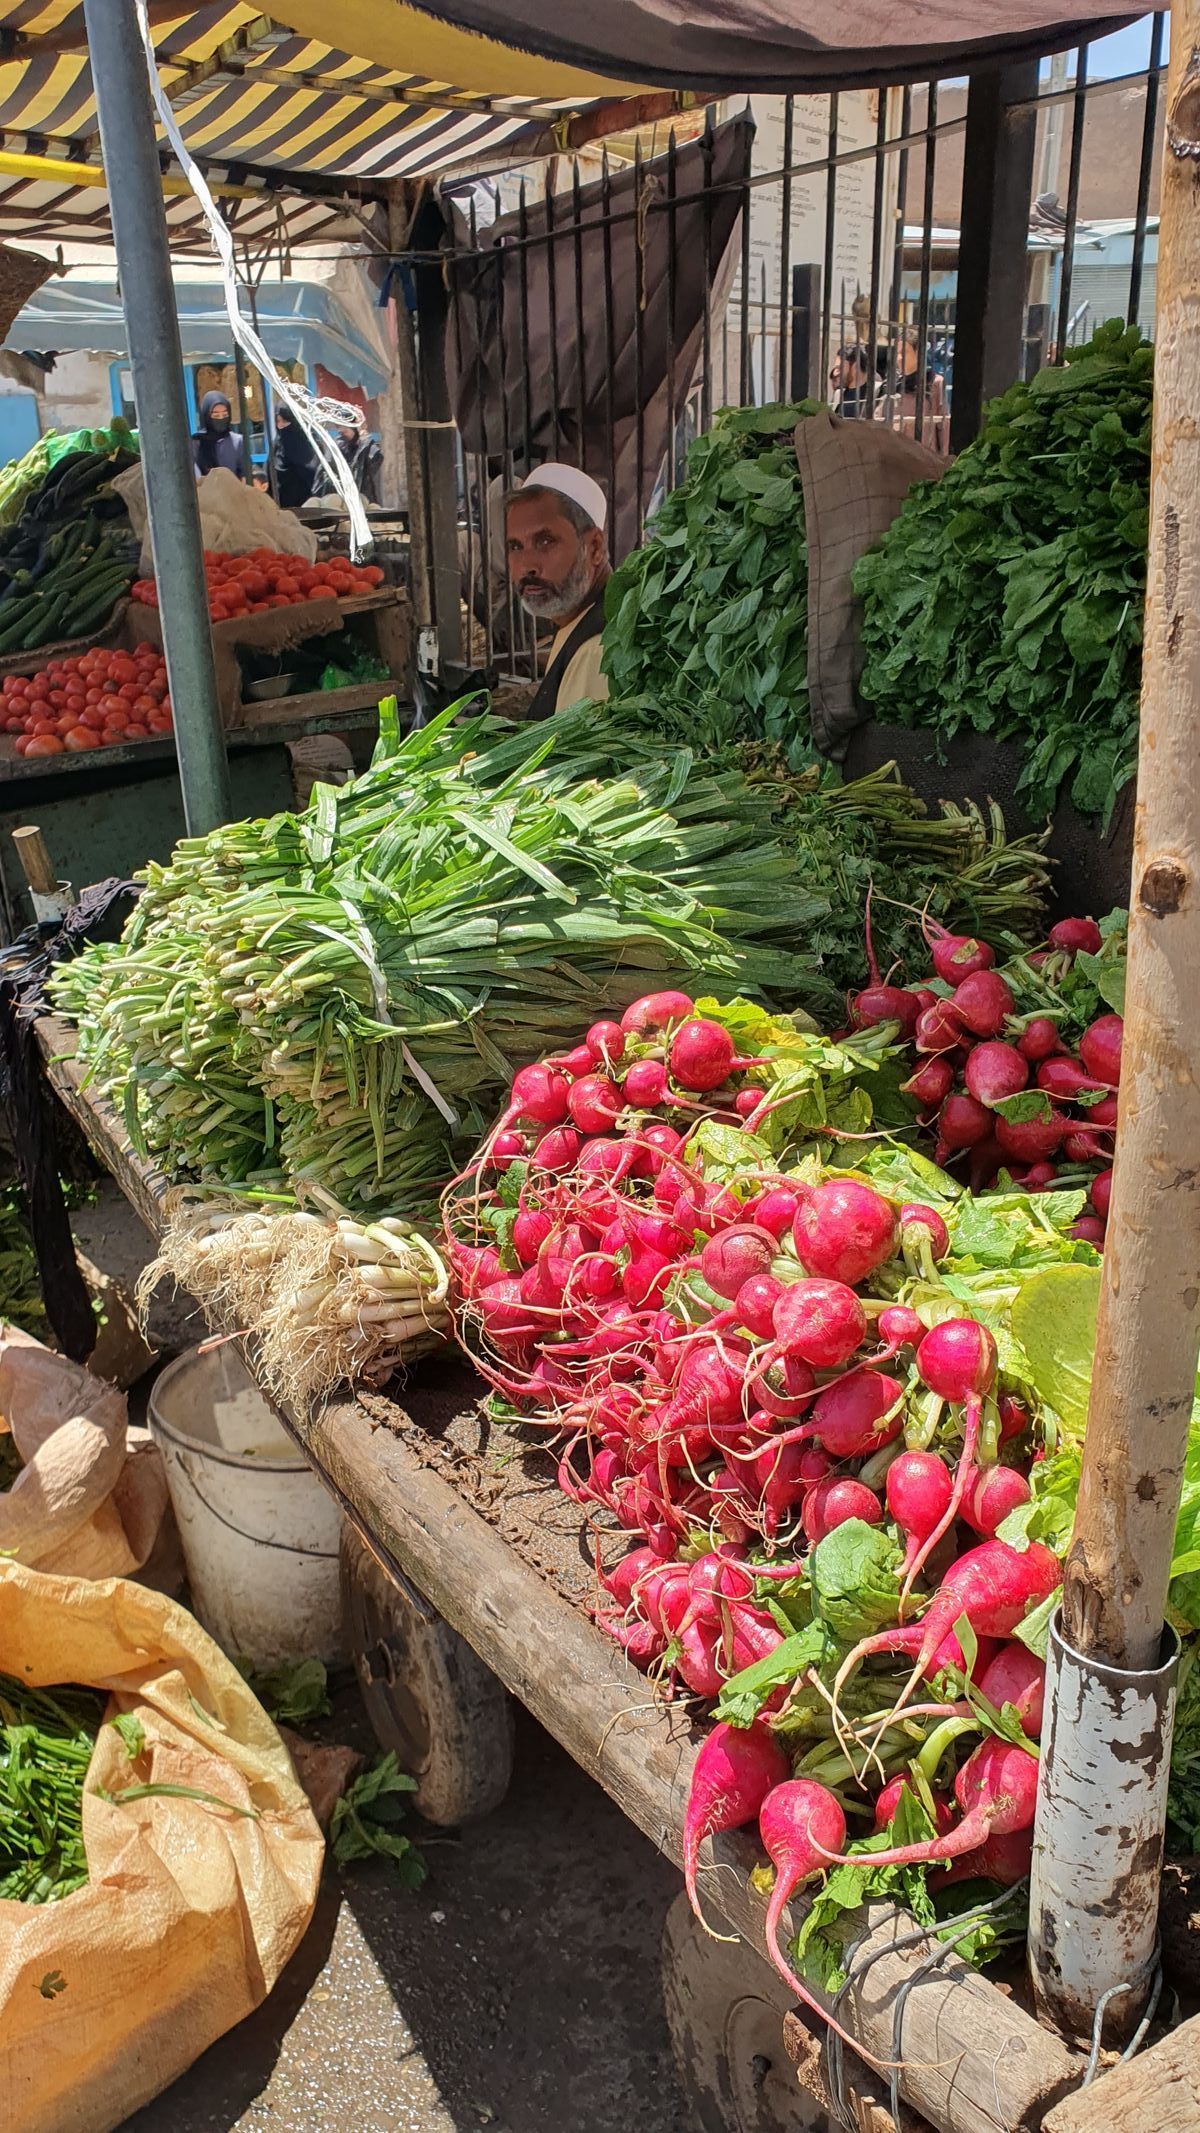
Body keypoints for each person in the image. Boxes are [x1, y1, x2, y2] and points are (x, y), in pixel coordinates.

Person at [504, 465, 610, 718]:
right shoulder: (578, 625)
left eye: (545, 542)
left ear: (594, 548)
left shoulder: (596, 651)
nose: (527, 566)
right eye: (515, 546)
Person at [273, 404, 319, 511]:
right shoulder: (276, 446)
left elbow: (313, 473)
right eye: (278, 422)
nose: (281, 426)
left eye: (285, 421)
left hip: (308, 508)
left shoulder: (308, 445)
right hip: (281, 509)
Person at [333, 408, 383, 505]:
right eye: (338, 426)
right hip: (339, 501)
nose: (341, 430)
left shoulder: (369, 447)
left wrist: (364, 445)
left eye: (344, 425)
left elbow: (371, 466)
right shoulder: (336, 447)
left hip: (364, 501)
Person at [192, 390, 245, 480]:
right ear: (206, 416)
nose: (221, 418)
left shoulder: (237, 441)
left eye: (225, 415)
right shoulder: (196, 442)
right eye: (216, 415)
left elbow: (244, 475)